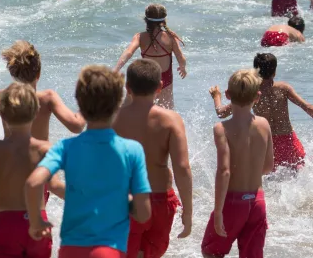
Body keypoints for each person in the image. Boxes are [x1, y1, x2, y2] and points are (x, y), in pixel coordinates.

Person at [25, 65, 151, 258]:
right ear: (118, 104)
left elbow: (34, 182)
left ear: (79, 104)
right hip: (109, 249)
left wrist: (36, 222)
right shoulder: (132, 151)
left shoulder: (65, 147)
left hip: (70, 250)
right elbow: (143, 213)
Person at [0, 40, 84, 212]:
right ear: (39, 73)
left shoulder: (3, 97)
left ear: (13, 73)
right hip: (36, 169)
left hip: (6, 170)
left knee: (1, 227)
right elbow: (76, 126)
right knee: (31, 227)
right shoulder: (47, 98)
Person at [0, 82, 64, 258]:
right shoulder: (45, 148)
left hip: (6, 225)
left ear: (3, 115)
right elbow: (56, 187)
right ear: (35, 113)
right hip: (37, 221)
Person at [113, 60, 194, 258]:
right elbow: (182, 168)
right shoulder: (171, 120)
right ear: (159, 87)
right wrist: (188, 212)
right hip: (160, 202)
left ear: (127, 88)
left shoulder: (113, 119)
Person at [201, 69, 273, 258]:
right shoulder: (264, 124)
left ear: (227, 95)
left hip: (232, 203)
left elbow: (224, 171)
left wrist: (218, 212)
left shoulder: (222, 128)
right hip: (257, 202)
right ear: (257, 97)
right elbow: (268, 167)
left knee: (211, 252)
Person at [210, 53, 311, 171]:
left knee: (269, 178)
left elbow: (221, 113)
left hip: (266, 144)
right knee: (297, 177)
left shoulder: (252, 92)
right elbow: (307, 107)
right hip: (289, 143)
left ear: (255, 72)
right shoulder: (283, 88)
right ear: (274, 72)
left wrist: (216, 97)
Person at [114, 4, 187, 109]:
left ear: (146, 20)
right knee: (166, 111)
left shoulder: (140, 37)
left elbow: (128, 53)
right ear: (163, 20)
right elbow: (181, 58)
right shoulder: (171, 37)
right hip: (164, 79)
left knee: (127, 108)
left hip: (144, 77)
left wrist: (116, 69)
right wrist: (183, 67)